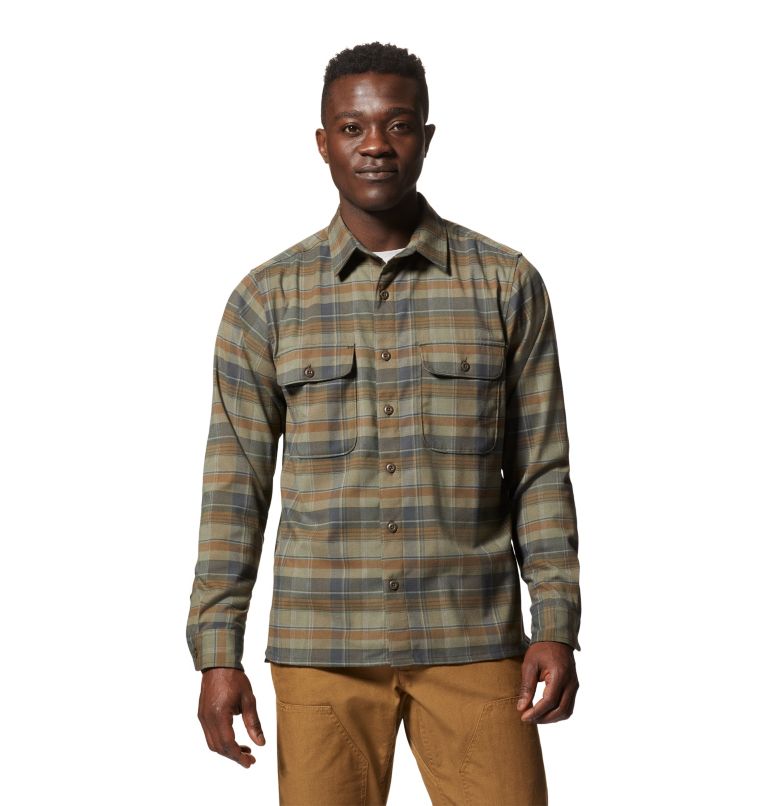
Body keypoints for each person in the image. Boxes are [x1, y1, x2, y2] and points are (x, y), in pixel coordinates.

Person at [186, 41, 581, 805]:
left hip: (474, 636)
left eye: (397, 125)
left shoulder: (505, 283)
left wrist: (556, 622)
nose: (375, 145)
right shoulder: (266, 299)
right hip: (322, 646)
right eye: (352, 127)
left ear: (425, 137)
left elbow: (540, 469)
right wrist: (216, 651)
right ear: (323, 142)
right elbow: (234, 489)